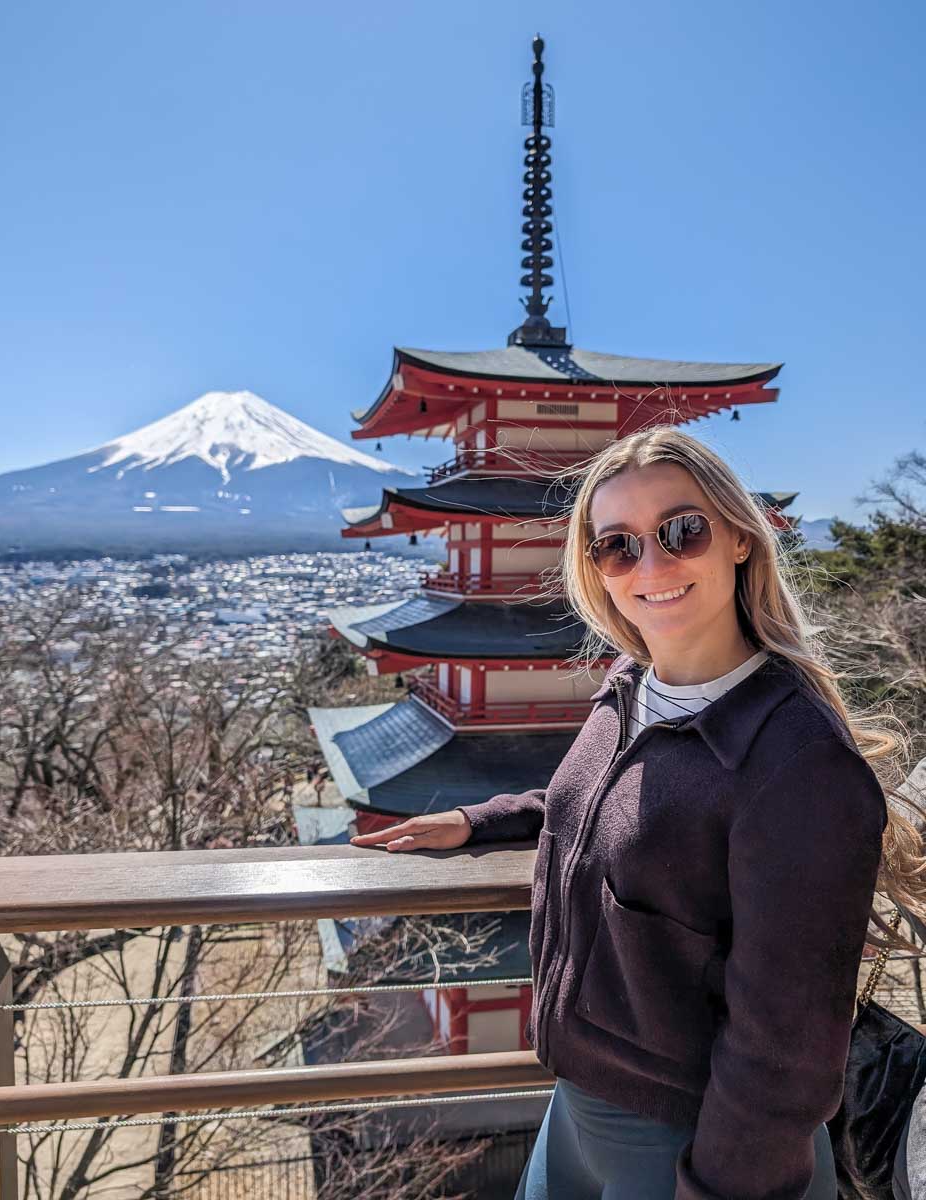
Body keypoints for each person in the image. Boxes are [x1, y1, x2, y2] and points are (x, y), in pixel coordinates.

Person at [351, 426, 926, 1199]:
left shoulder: (797, 762)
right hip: (577, 1106)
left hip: (696, 1140)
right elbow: (617, 809)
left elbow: (783, 1053)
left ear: (741, 538)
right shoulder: (632, 687)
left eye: (682, 531)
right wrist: (483, 820)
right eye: (616, 546)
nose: (650, 566)